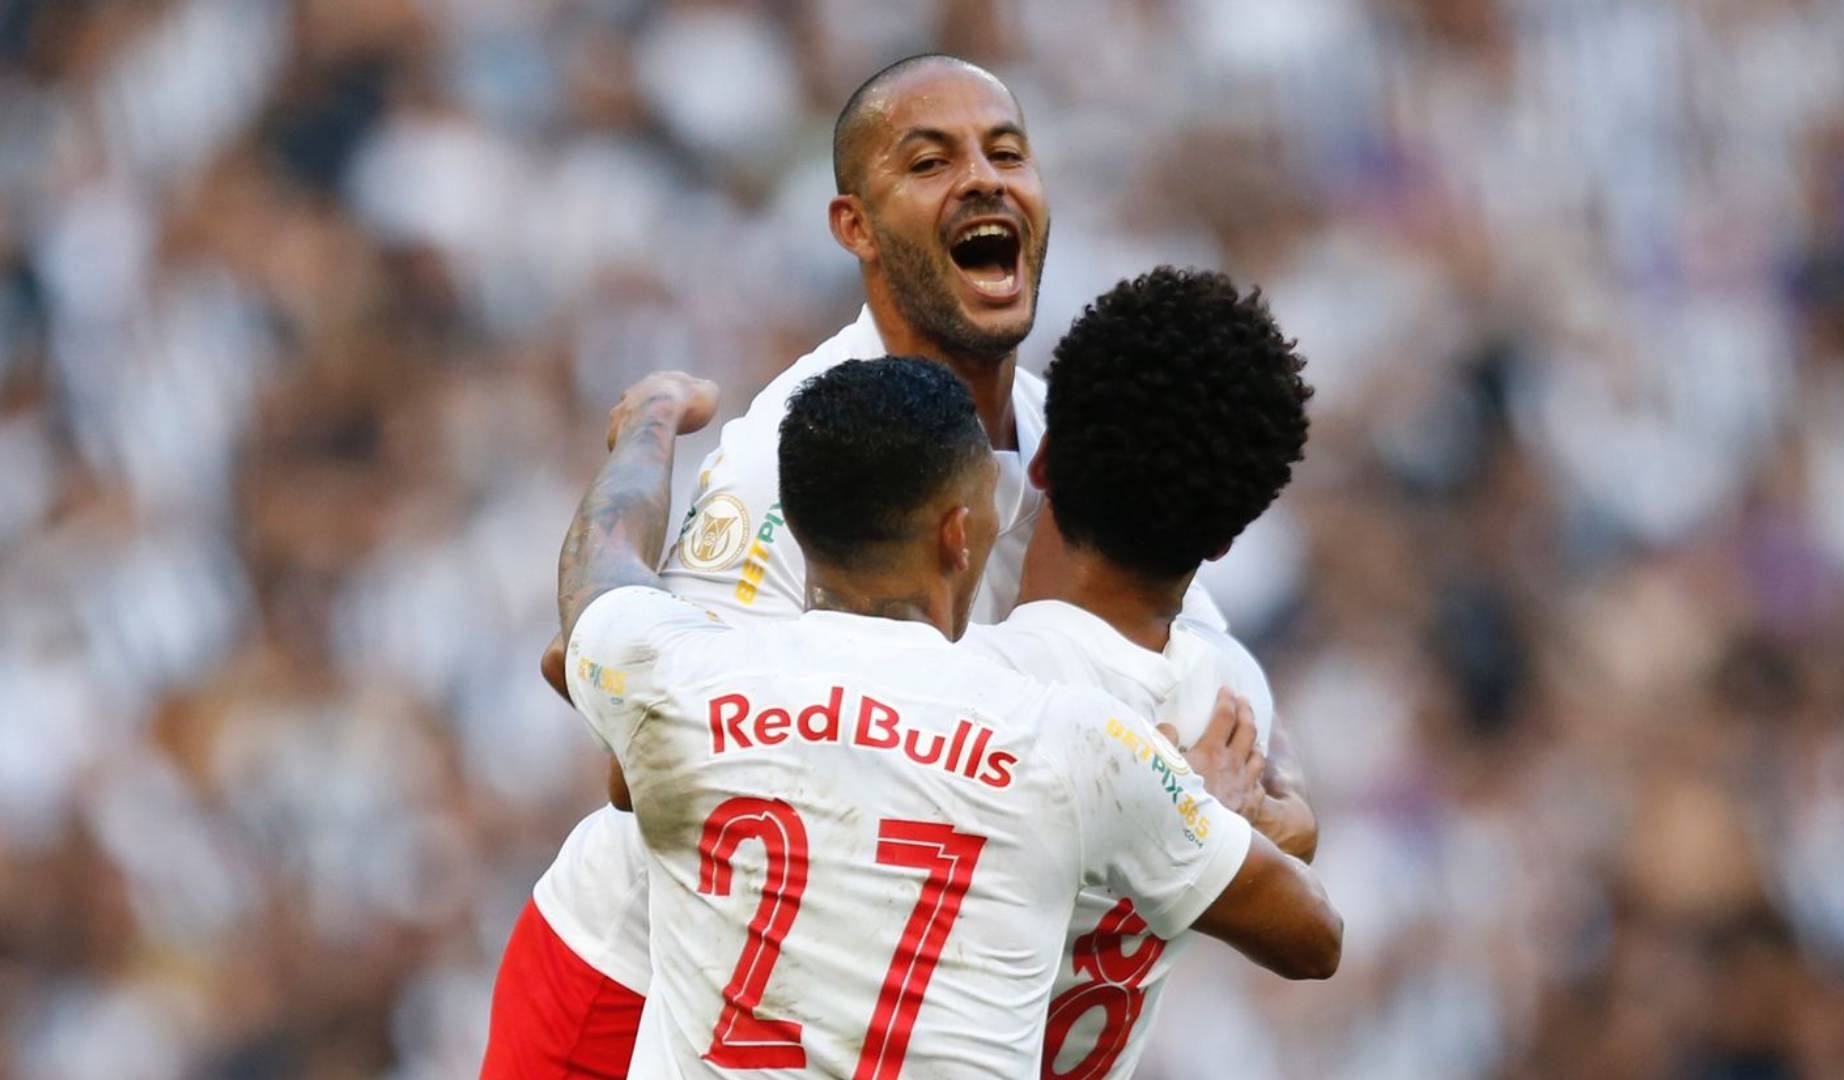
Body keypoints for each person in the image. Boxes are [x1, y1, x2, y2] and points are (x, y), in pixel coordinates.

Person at [481, 53, 1313, 1076]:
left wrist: (1263, 810)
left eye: (1008, 152)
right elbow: (636, 765)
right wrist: (1170, 810)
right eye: (930, 160)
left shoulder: (1081, 439)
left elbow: (1218, 694)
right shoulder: (784, 463)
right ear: (855, 228)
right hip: (645, 986)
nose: (983, 178)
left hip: (856, 1009)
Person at [560, 356, 1340, 1078]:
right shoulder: (1076, 741)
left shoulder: (688, 682)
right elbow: (1313, 938)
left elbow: (602, 571)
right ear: (959, 535)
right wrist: (1204, 805)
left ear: (794, 528)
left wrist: (654, 419)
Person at [961, 266, 1316, 1077]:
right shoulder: (1237, 702)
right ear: (1226, 540)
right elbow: (1299, 851)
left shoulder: (964, 687)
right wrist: (1217, 815)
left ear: (1040, 459)